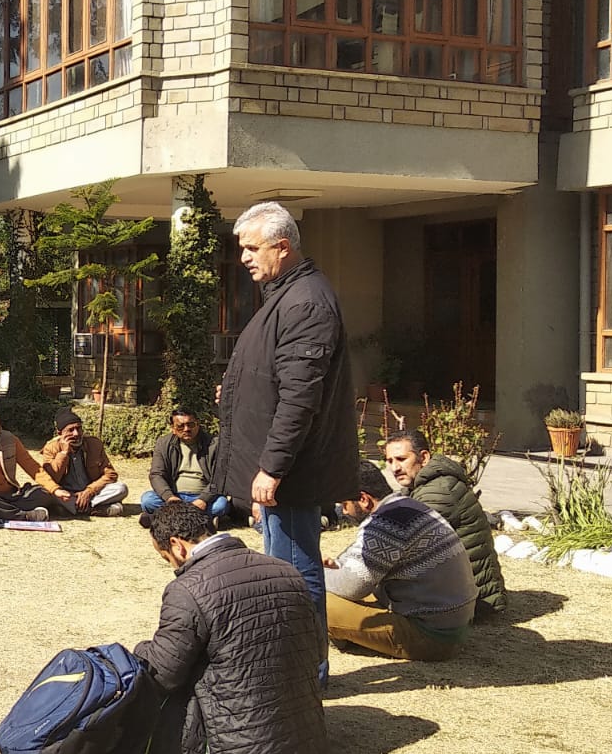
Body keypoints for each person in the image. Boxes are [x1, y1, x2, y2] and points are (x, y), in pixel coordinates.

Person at [213, 201, 357, 681]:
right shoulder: (286, 294)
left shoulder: (305, 302)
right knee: (283, 569)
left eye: (253, 248)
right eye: (243, 249)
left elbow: (300, 397)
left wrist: (272, 467)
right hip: (283, 466)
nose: (245, 258)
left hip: (293, 470)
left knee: (293, 572)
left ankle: (304, 676)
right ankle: (292, 669)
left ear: (283, 246)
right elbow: (276, 375)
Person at [132, 502, 327, 754]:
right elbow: (318, 651)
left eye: (166, 558)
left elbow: (164, 674)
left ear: (177, 546)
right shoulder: (287, 571)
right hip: (306, 745)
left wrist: (140, 650)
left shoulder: (186, 589)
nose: (172, 566)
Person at [324, 461, 477, 661]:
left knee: (314, 599)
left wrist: (315, 573)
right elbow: (360, 567)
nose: (344, 512)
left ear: (364, 499)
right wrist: (337, 568)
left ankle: (344, 635)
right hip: (452, 625)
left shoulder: (384, 524)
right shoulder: (408, 507)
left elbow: (352, 587)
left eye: (344, 504)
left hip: (431, 636)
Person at [384, 429, 507, 619]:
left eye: (401, 459)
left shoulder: (438, 492)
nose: (394, 468)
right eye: (390, 461)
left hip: (473, 602)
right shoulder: (423, 486)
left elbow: (403, 545)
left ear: (424, 457)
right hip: (463, 593)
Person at [0, 399, 73, 522]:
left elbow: (33, 467)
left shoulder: (10, 439)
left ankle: (1, 512)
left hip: (13, 495)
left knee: (44, 492)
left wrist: (55, 489)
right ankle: (24, 516)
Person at [141, 409, 231, 523]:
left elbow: (219, 477)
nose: (187, 429)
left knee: (220, 505)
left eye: (191, 424)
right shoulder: (163, 443)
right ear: (173, 428)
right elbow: (156, 474)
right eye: (180, 426)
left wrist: (203, 499)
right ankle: (202, 520)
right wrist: (170, 497)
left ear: (198, 424)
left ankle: (166, 518)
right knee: (148, 500)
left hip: (202, 496)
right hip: (174, 495)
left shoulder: (214, 444)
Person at [39, 409, 129, 516]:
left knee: (121, 488)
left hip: (91, 492)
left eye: (79, 428)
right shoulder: (50, 448)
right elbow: (51, 479)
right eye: (71, 430)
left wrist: (89, 491)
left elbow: (111, 475)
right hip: (66, 494)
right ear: (60, 433)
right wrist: (63, 454)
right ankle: (93, 509)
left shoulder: (94, 444)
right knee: (46, 492)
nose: (76, 434)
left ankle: (76, 508)